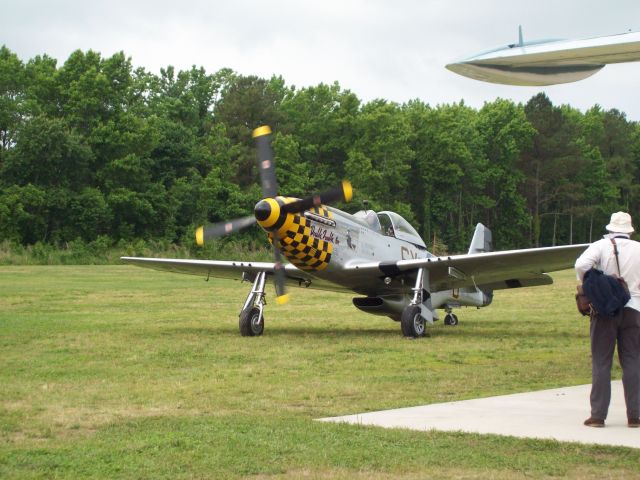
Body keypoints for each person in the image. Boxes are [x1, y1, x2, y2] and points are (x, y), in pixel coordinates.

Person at [575, 211, 640, 428]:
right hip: (634, 309)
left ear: (610, 229)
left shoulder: (601, 246)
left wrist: (597, 286)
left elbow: (581, 265)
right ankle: (635, 416)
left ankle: (598, 416)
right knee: (632, 361)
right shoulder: (639, 248)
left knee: (601, 361)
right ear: (630, 231)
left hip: (604, 311)